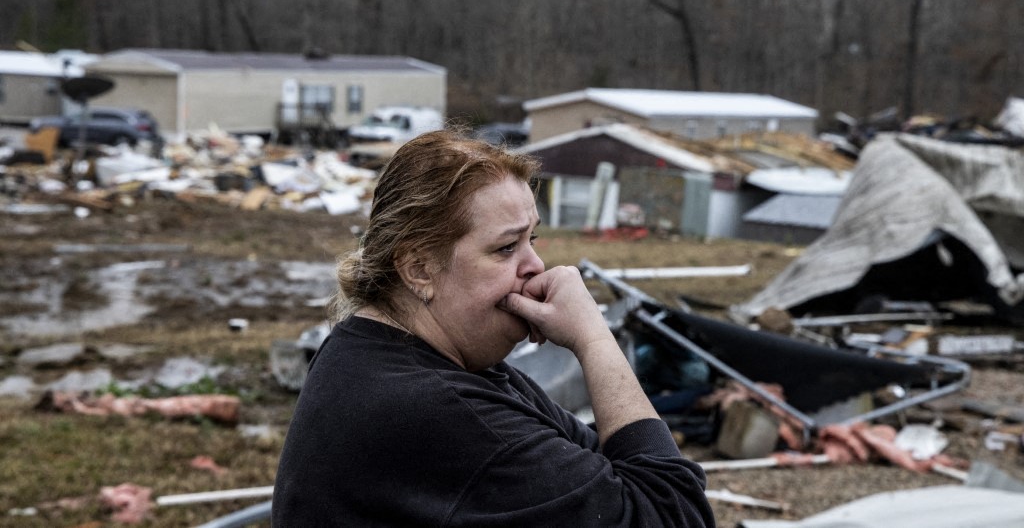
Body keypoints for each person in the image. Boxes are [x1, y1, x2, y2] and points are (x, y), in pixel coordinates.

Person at [272, 129, 715, 527]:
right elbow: (676, 514)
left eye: (531, 240)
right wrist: (595, 339)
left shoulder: (381, 352)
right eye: (506, 247)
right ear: (419, 269)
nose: (536, 265)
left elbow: (604, 464)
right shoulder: (443, 411)